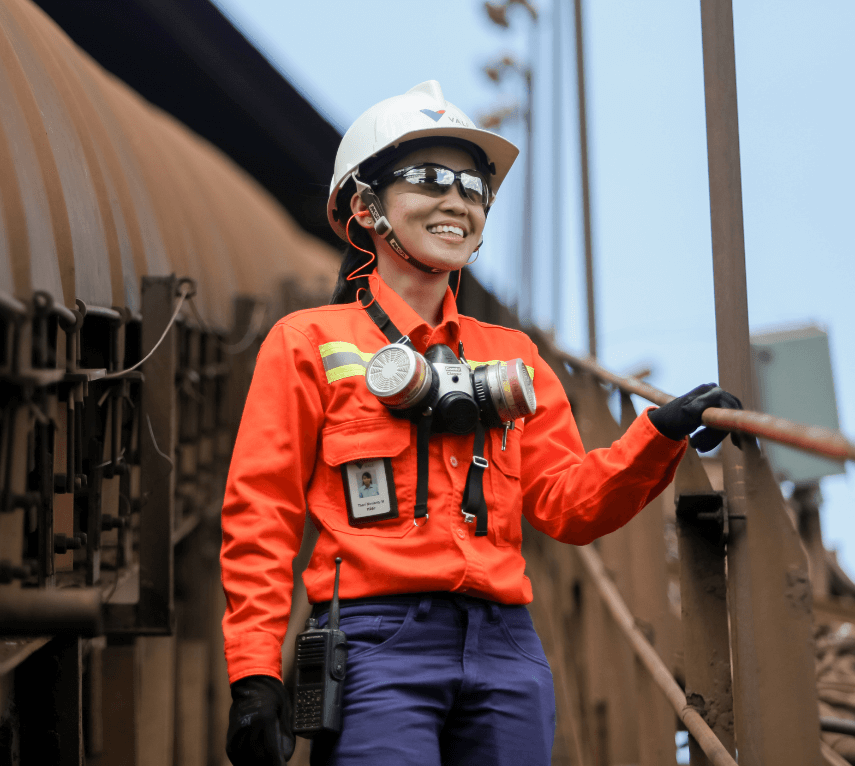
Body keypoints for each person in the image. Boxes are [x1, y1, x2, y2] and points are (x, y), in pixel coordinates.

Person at [221, 81, 741, 766]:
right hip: (376, 646)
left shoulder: (512, 356)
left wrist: (659, 433)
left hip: (506, 650)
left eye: (474, 188)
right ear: (365, 206)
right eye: (431, 179)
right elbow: (262, 512)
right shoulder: (308, 342)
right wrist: (255, 675)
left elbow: (566, 506)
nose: (457, 201)